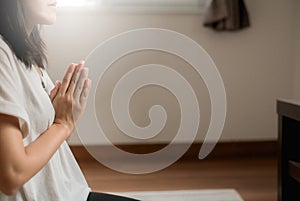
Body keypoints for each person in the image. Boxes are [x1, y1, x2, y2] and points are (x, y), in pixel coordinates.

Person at [0, 0, 139, 200]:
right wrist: (63, 124)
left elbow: (45, 146)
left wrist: (65, 120)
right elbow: (12, 174)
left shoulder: (29, 57)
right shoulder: (2, 54)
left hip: (72, 193)